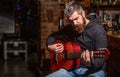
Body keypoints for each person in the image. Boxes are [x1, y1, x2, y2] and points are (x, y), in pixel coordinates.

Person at [46, 0, 108, 77]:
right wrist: (50, 46)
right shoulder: (71, 28)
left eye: (76, 19)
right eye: (71, 21)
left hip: (93, 70)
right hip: (70, 69)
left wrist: (91, 63)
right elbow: (52, 36)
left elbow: (101, 60)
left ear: (83, 13)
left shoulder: (98, 31)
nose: (74, 23)